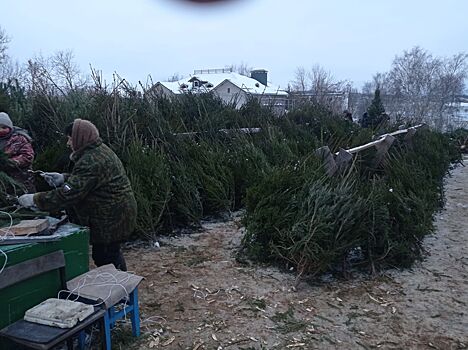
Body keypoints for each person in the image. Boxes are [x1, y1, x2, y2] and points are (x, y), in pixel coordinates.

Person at [18, 119, 137, 271]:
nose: (68, 143)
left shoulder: (92, 160)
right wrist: (63, 178)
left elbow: (67, 195)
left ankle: (120, 289)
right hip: (115, 213)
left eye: (70, 138)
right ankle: (121, 285)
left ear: (80, 138)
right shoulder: (96, 151)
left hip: (111, 218)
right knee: (109, 253)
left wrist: (34, 199)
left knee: (106, 256)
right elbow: (88, 181)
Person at [0, 111, 35, 192]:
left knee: (24, 200)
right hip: (3, 181)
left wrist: (9, 162)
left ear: (10, 127)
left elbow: (28, 156)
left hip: (21, 180)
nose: (0, 130)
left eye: (4, 127)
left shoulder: (20, 138)